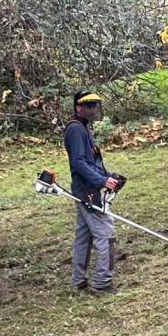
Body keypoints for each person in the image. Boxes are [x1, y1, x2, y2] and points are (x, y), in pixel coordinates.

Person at [64, 90, 120, 295]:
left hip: (86, 188)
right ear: (78, 107)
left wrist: (107, 175)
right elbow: (78, 163)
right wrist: (101, 180)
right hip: (87, 191)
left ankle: (78, 280)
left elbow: (90, 161)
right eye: (88, 106)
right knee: (105, 233)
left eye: (94, 106)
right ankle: (102, 282)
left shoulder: (83, 128)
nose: (93, 110)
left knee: (84, 235)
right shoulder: (75, 130)